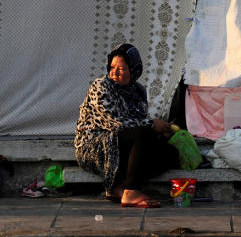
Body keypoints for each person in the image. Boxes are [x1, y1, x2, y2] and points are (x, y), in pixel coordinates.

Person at [74, 43, 178, 208]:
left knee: (170, 153)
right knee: (144, 133)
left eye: (121, 69)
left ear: (134, 70)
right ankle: (130, 191)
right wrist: (152, 124)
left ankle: (119, 186)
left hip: (123, 144)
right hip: (94, 146)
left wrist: (162, 130)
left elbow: (137, 122)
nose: (114, 73)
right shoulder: (100, 87)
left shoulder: (139, 91)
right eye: (112, 67)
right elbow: (112, 122)